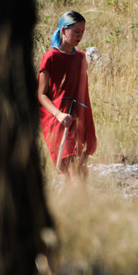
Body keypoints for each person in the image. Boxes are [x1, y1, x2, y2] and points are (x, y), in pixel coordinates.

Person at [37, 10, 96, 177]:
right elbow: (41, 94)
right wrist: (59, 115)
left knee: (79, 175)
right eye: (76, 31)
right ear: (63, 30)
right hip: (60, 121)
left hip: (78, 119)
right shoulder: (51, 57)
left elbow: (83, 94)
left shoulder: (81, 58)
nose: (80, 36)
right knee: (75, 172)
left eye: (83, 32)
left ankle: (65, 203)